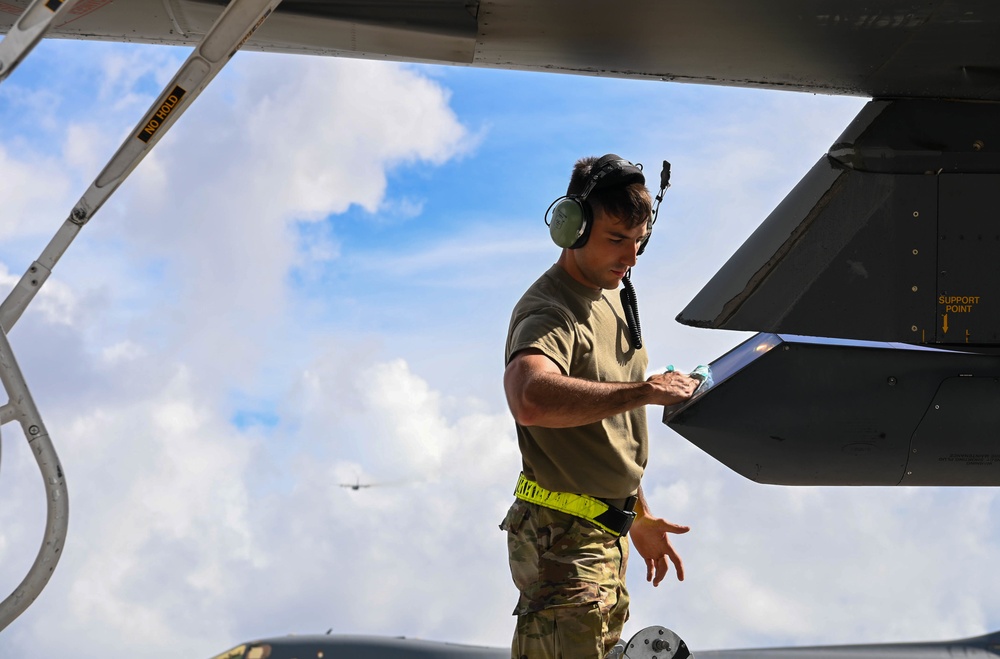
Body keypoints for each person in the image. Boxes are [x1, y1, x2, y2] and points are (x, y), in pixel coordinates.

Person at [500, 154, 699, 659]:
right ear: (573, 228)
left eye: (640, 241)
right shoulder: (550, 310)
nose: (631, 256)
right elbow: (529, 397)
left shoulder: (612, 294)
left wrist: (638, 514)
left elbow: (606, 433)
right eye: (616, 239)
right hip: (564, 540)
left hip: (602, 533)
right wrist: (645, 392)